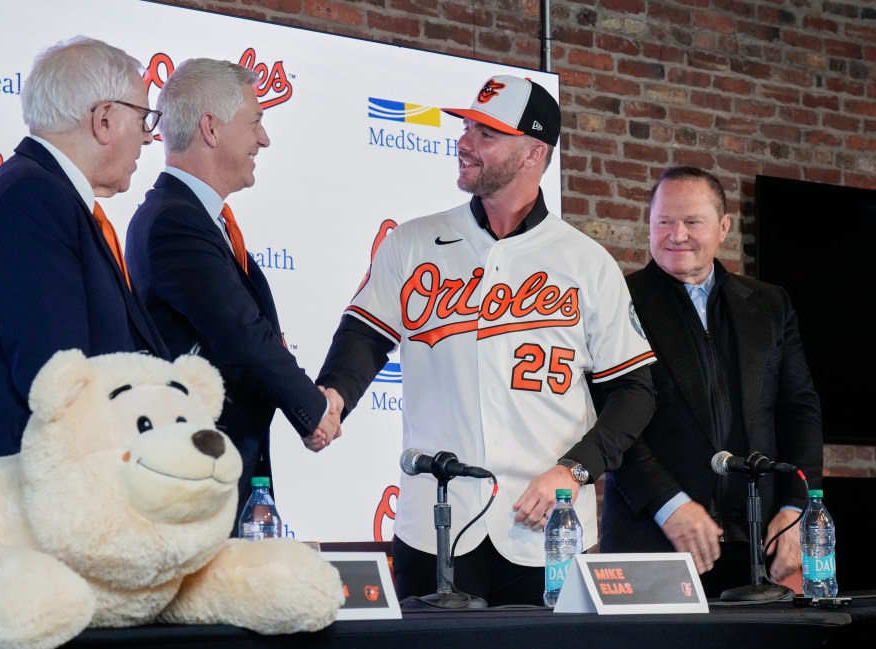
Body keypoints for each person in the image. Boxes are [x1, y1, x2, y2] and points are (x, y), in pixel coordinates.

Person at [315, 75, 657, 606]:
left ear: (534, 152)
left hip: (547, 526)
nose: (465, 142)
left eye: (487, 132)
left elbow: (634, 392)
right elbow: (364, 333)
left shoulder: (586, 263)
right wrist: (333, 396)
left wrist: (575, 468)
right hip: (435, 522)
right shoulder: (413, 241)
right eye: (467, 127)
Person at [125, 58, 342, 533]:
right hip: (197, 484)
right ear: (211, 128)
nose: (263, 140)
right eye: (257, 121)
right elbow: (242, 333)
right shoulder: (174, 221)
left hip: (223, 480)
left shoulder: (199, 221)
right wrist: (313, 408)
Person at [599, 166, 824, 598]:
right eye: (663, 221)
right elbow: (608, 420)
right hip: (652, 536)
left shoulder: (770, 304)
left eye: (692, 222)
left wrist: (798, 506)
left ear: (723, 227)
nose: (676, 234)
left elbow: (800, 409)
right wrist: (669, 504)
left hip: (760, 547)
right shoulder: (615, 301)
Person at [0, 36, 169, 459]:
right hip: (26, 496)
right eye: (144, 119)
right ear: (104, 118)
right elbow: (56, 375)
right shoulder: (32, 196)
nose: (147, 138)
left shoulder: (50, 195)